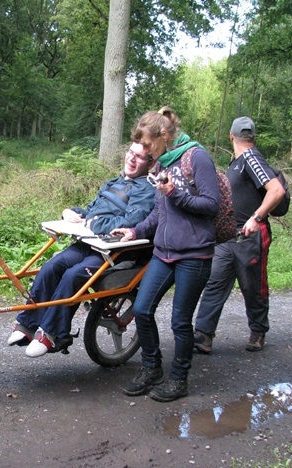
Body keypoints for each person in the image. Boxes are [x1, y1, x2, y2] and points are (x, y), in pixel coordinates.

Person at [7, 143, 157, 357]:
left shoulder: (146, 190)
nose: (132, 159)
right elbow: (91, 211)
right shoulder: (114, 182)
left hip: (116, 252)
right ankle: (27, 324)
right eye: (130, 153)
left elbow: (131, 221)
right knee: (52, 267)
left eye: (139, 157)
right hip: (89, 243)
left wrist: (95, 223)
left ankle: (53, 334)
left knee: (73, 275)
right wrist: (72, 213)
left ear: (150, 162)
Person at [112, 107, 220, 403]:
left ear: (163, 135)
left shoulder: (196, 157)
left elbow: (212, 205)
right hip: (164, 252)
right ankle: (151, 369)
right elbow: (160, 212)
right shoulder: (162, 163)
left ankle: (178, 379)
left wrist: (177, 194)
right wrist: (135, 231)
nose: (145, 152)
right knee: (143, 309)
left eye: (147, 145)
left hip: (195, 255)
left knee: (180, 322)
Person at [193, 116, 286, 354]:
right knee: (215, 282)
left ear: (231, 136)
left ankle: (258, 330)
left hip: (250, 236)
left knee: (252, 285)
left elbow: (276, 191)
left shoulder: (251, 158)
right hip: (228, 237)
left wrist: (256, 218)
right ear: (252, 136)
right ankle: (203, 334)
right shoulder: (237, 163)